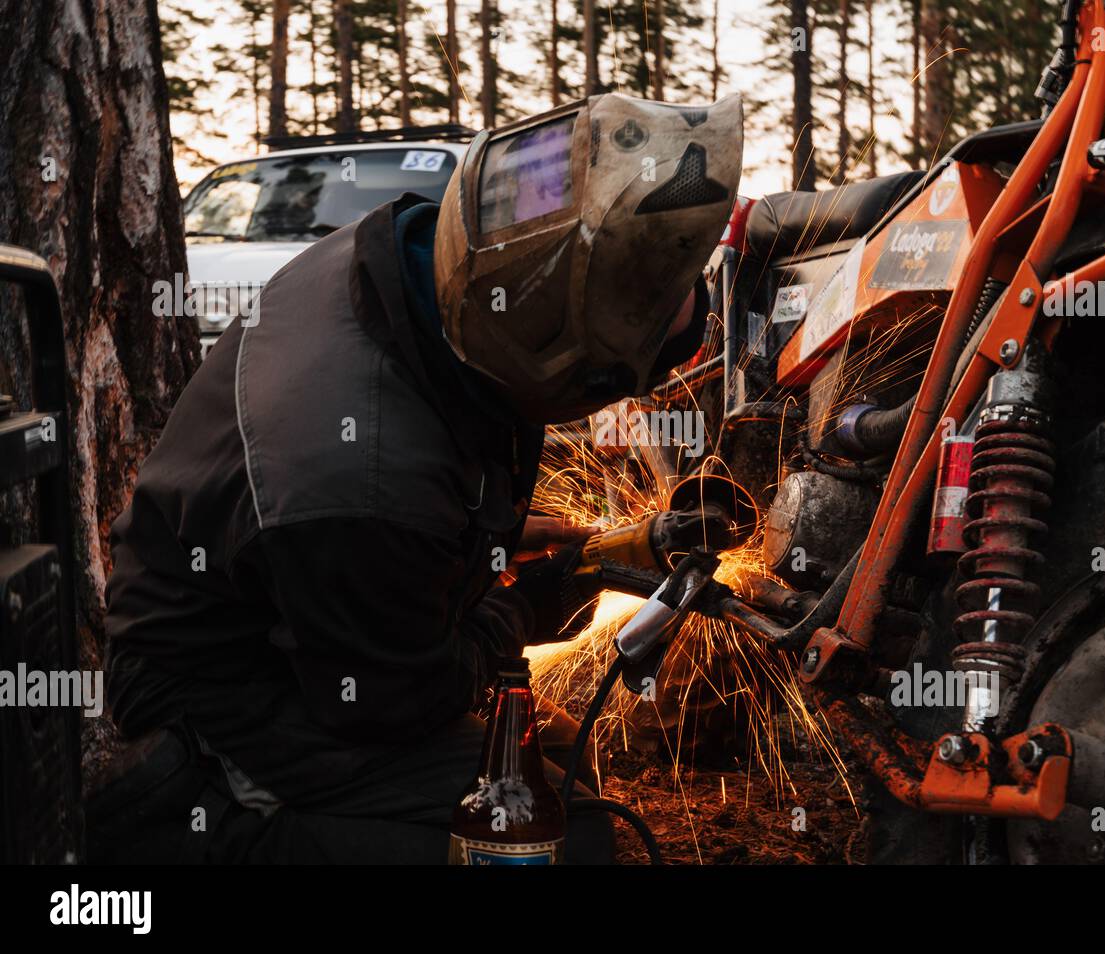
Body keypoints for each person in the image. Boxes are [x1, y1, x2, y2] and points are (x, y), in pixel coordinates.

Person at [89, 92, 743, 864]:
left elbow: (413, 500)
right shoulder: (358, 477)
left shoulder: (413, 261)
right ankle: (205, 835)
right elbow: (392, 698)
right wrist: (530, 601)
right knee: (563, 836)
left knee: (561, 747)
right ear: (548, 348)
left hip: (297, 622)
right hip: (222, 706)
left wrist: (483, 544)